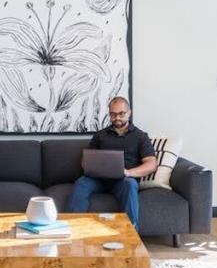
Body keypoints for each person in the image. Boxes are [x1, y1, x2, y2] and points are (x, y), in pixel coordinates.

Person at [66, 97, 157, 230]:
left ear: (129, 113)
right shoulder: (100, 135)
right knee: (81, 183)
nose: (117, 118)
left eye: (121, 114)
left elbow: (151, 164)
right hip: (99, 179)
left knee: (130, 184)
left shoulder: (140, 136)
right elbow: (85, 159)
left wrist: (129, 172)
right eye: (113, 114)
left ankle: (130, 231)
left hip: (123, 180)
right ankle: (73, 227)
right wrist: (90, 166)